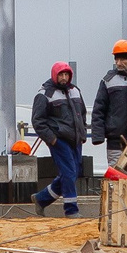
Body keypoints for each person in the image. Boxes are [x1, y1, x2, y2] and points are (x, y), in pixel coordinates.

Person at [30, 62, 86, 214]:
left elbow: (82, 113)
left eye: (66, 74)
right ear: (54, 75)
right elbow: (37, 121)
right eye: (61, 74)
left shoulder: (75, 91)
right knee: (69, 173)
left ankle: (41, 199)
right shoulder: (44, 94)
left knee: (72, 173)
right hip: (59, 140)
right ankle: (71, 210)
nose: (64, 78)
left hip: (75, 139)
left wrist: (82, 134)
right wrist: (52, 139)